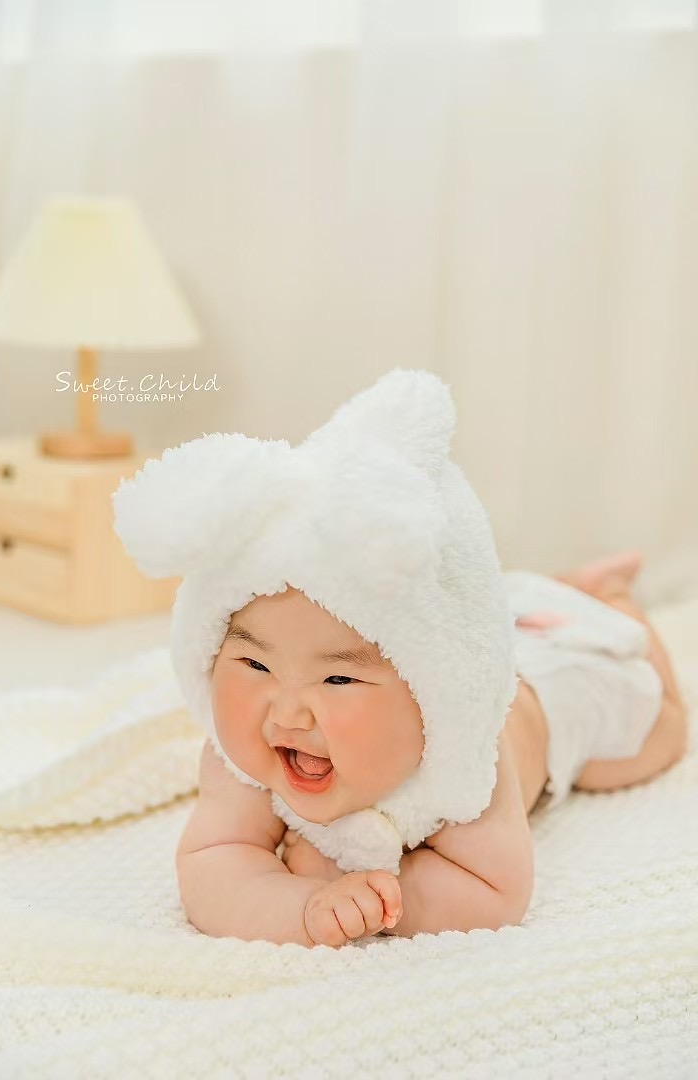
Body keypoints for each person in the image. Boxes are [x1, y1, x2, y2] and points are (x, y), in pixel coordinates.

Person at [112, 368, 688, 947]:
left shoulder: (466, 766)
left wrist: (370, 887)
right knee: (517, 610)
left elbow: (495, 891)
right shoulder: (244, 757)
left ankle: (611, 598)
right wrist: (307, 907)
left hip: (553, 690)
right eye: (256, 666)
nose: (287, 713)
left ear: (432, 698)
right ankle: (551, 591)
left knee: (656, 733)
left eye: (338, 678)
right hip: (500, 630)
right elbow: (212, 865)